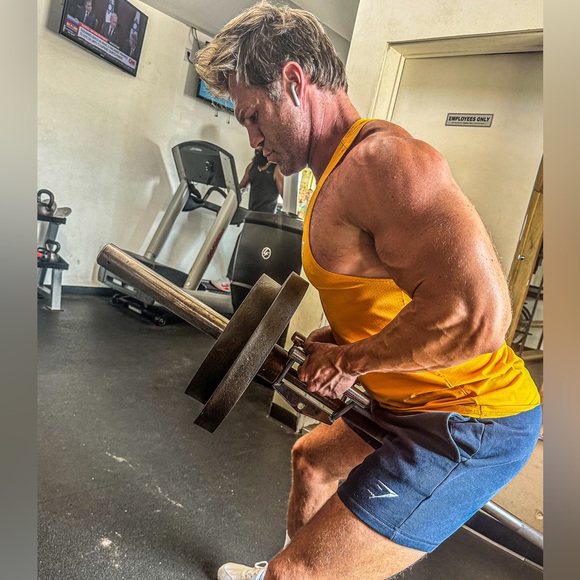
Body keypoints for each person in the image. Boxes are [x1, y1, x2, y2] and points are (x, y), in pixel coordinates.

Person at [195, 3, 542, 579]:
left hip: (470, 418)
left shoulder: (382, 163)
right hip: (405, 402)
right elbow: (392, 295)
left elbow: (476, 316)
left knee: (292, 575)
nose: (253, 139)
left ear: (293, 81)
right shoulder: (332, 172)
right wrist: (341, 338)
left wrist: (349, 362)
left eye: (253, 116)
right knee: (311, 460)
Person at [210, 149, 283, 292]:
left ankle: (232, 281)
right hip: (252, 217)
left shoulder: (276, 170)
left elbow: (285, 195)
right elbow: (239, 189)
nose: (258, 150)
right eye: (256, 149)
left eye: (261, 148)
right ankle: (235, 282)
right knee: (244, 247)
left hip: (267, 220)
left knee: (246, 246)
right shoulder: (252, 167)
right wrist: (226, 205)